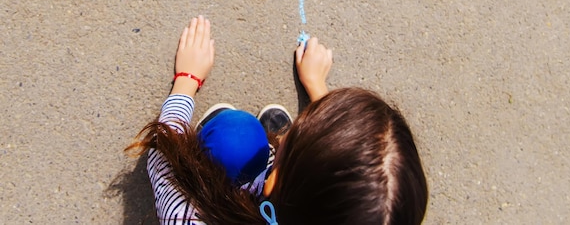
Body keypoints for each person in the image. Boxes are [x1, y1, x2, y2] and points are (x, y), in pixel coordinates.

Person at [128, 15, 429, 224]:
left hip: (226, 196)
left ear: (273, 180)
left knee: (237, 139)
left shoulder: (189, 217)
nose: (285, 133)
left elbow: (162, 162)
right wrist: (316, 87)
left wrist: (187, 79)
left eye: (293, 136)